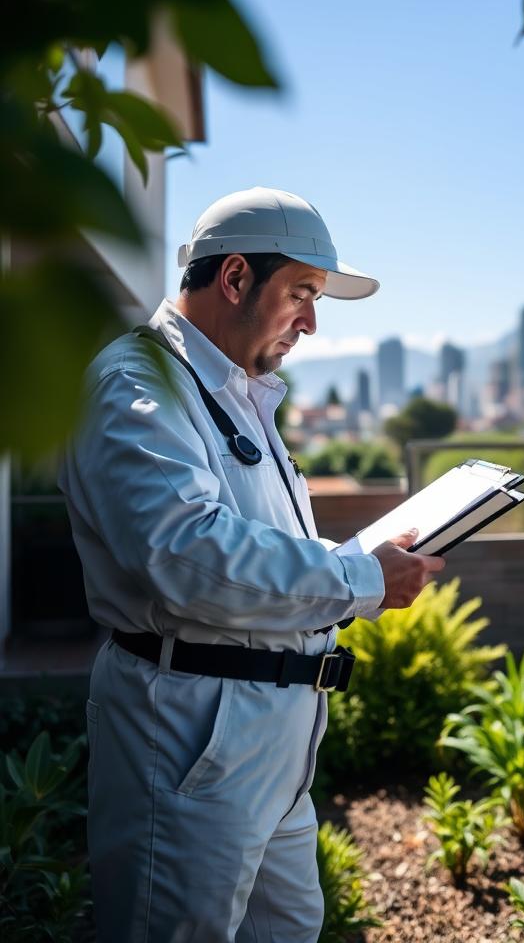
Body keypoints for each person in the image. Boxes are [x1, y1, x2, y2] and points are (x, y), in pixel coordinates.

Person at [58, 186, 444, 942]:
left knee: (289, 928)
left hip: (271, 746)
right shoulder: (136, 384)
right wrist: (362, 578)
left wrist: (359, 565)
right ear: (235, 278)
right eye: (301, 293)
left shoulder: (233, 391)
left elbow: (251, 542)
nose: (312, 322)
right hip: (192, 738)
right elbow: (187, 553)